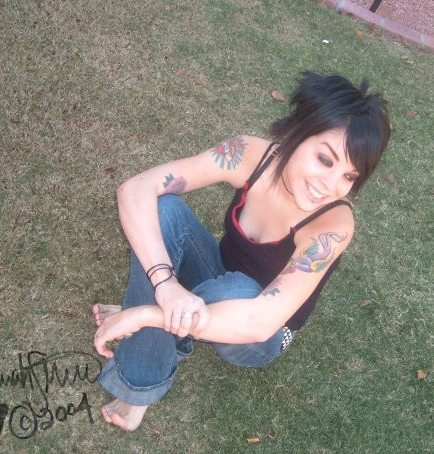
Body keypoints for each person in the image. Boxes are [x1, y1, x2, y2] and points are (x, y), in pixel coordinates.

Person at [92, 71, 391, 431]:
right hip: (215, 275)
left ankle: (150, 361)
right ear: (297, 132)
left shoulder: (333, 225)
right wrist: (165, 286)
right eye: (325, 160)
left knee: (238, 290)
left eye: (349, 176)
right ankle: (159, 348)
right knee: (163, 210)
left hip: (261, 333)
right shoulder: (250, 156)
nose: (330, 186)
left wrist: (145, 314)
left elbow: (259, 321)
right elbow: (137, 188)